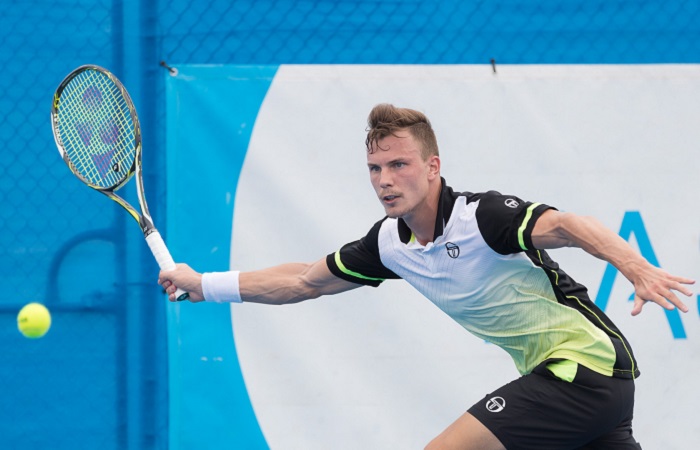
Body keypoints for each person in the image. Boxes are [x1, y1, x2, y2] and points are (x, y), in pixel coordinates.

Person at [159, 104, 694, 450]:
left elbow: (568, 226)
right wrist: (205, 284)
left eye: (399, 165)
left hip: (584, 368)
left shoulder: (482, 216)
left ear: (433, 166)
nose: (386, 181)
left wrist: (636, 267)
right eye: (375, 169)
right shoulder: (389, 244)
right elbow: (304, 280)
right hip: (599, 393)